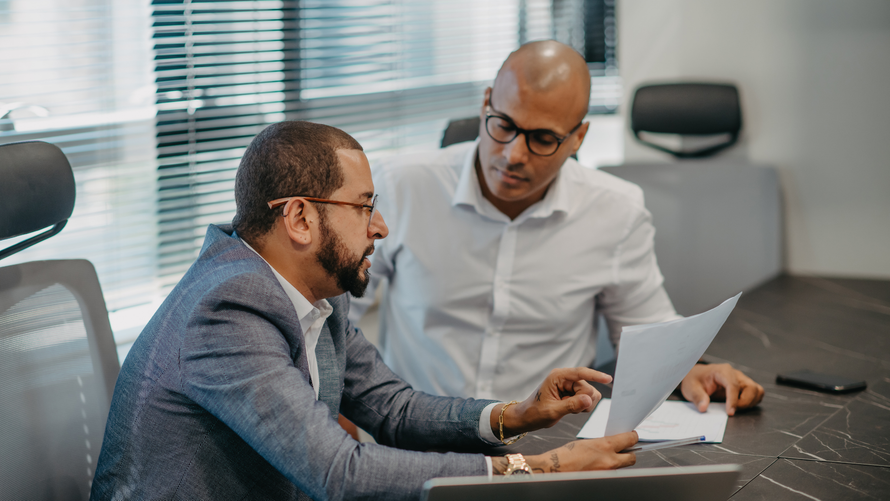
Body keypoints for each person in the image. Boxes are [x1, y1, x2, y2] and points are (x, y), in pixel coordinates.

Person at [91, 121, 640, 501]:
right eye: (363, 207)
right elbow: (340, 473)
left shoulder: (314, 293)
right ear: (300, 219)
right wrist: (538, 468)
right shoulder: (226, 309)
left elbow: (392, 409)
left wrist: (513, 416)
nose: (379, 227)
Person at [348, 40, 765, 415]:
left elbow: (646, 330)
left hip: (548, 442)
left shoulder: (615, 209)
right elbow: (338, 314)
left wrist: (691, 370)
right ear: (486, 103)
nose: (513, 155)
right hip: (421, 434)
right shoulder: (402, 186)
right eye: (504, 125)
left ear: (578, 137)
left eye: (543, 138)